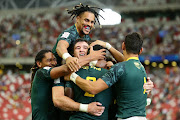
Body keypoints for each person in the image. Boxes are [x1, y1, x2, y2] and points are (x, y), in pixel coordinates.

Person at [64, 32, 154, 120]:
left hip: (126, 117)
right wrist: (107, 46)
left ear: (123, 46)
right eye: (78, 48)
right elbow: (126, 64)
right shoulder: (142, 69)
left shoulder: (119, 68)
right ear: (141, 50)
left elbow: (93, 88)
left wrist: (72, 76)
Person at [30, 50, 105, 120]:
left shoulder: (57, 77)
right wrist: (91, 57)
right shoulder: (41, 72)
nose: (53, 63)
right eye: (49, 60)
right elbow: (66, 68)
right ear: (39, 63)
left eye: (54, 59)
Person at [52, 3, 107, 71]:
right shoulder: (69, 33)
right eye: (86, 20)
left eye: (92, 22)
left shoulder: (86, 37)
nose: (89, 24)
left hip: (73, 70)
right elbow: (60, 46)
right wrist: (68, 58)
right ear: (78, 19)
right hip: (57, 71)